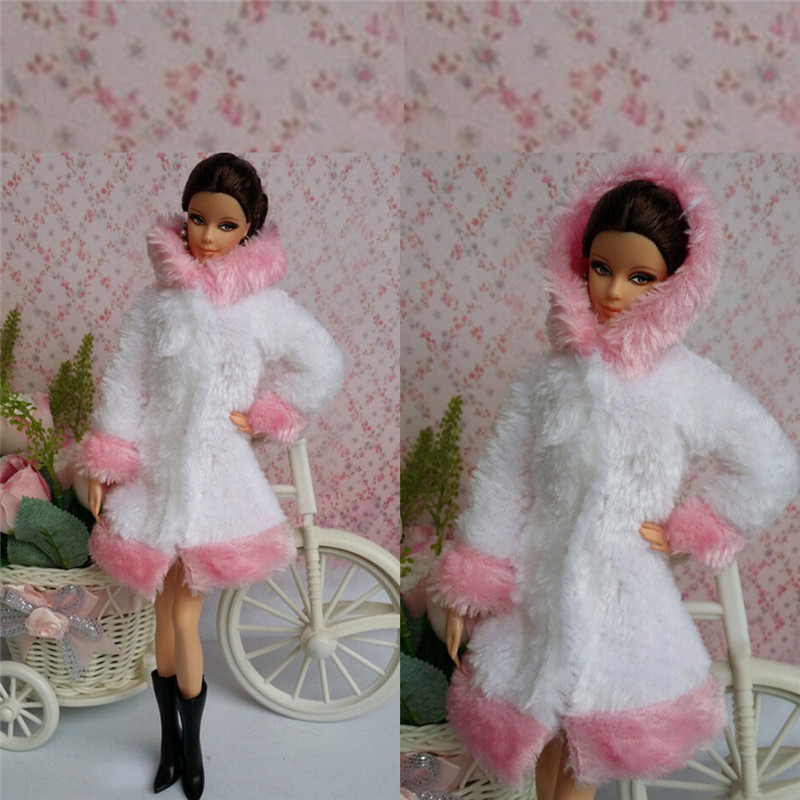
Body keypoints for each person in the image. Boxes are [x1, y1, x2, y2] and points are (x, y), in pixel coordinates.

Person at [431, 157, 798, 800]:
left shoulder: (684, 384)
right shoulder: (547, 379)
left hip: (624, 590)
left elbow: (768, 460)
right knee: (545, 727)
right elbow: (505, 480)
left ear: (677, 285)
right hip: (541, 583)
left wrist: (700, 524)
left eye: (641, 277)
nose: (614, 292)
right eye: (601, 268)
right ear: (577, 265)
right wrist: (477, 576)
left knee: (591, 735)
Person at [80, 153, 344, 799]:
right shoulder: (157, 304)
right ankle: (170, 744)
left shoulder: (262, 308)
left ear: (249, 230)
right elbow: (126, 383)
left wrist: (269, 414)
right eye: (198, 218)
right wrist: (109, 456)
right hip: (157, 473)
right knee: (165, 607)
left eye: (226, 225)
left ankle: (191, 748)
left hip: (216, 475)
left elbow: (322, 362)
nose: (206, 235)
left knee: (184, 612)